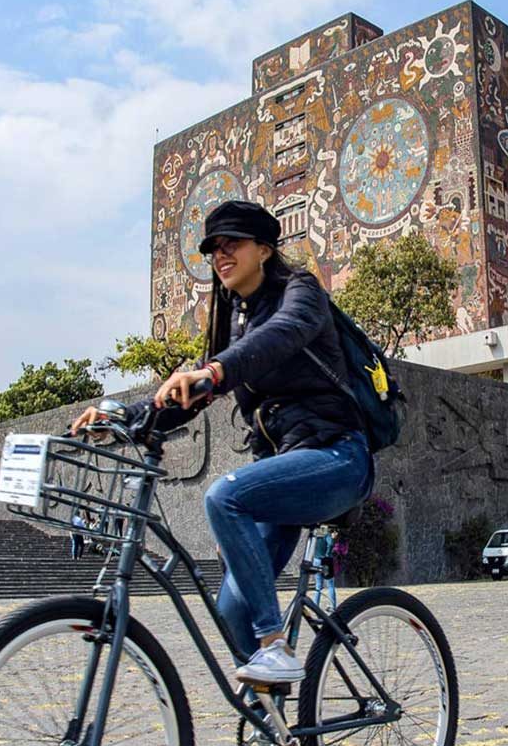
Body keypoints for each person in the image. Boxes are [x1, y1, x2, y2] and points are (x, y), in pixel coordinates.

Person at [72, 200, 373, 685]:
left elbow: (283, 334)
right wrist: (120, 417)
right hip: (282, 475)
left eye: (231, 243)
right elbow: (186, 398)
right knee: (232, 610)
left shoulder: (302, 293)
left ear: (264, 249)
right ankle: (271, 722)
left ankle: (275, 647)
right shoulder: (234, 323)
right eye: (213, 247)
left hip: (337, 457)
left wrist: (217, 370)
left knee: (224, 494)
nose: (220, 254)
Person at [312, 530, 337, 612]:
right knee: (330, 585)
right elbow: (330, 544)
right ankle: (333, 606)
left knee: (318, 585)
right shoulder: (326, 534)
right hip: (326, 560)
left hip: (316, 559)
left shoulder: (315, 532)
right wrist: (328, 553)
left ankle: (315, 605)